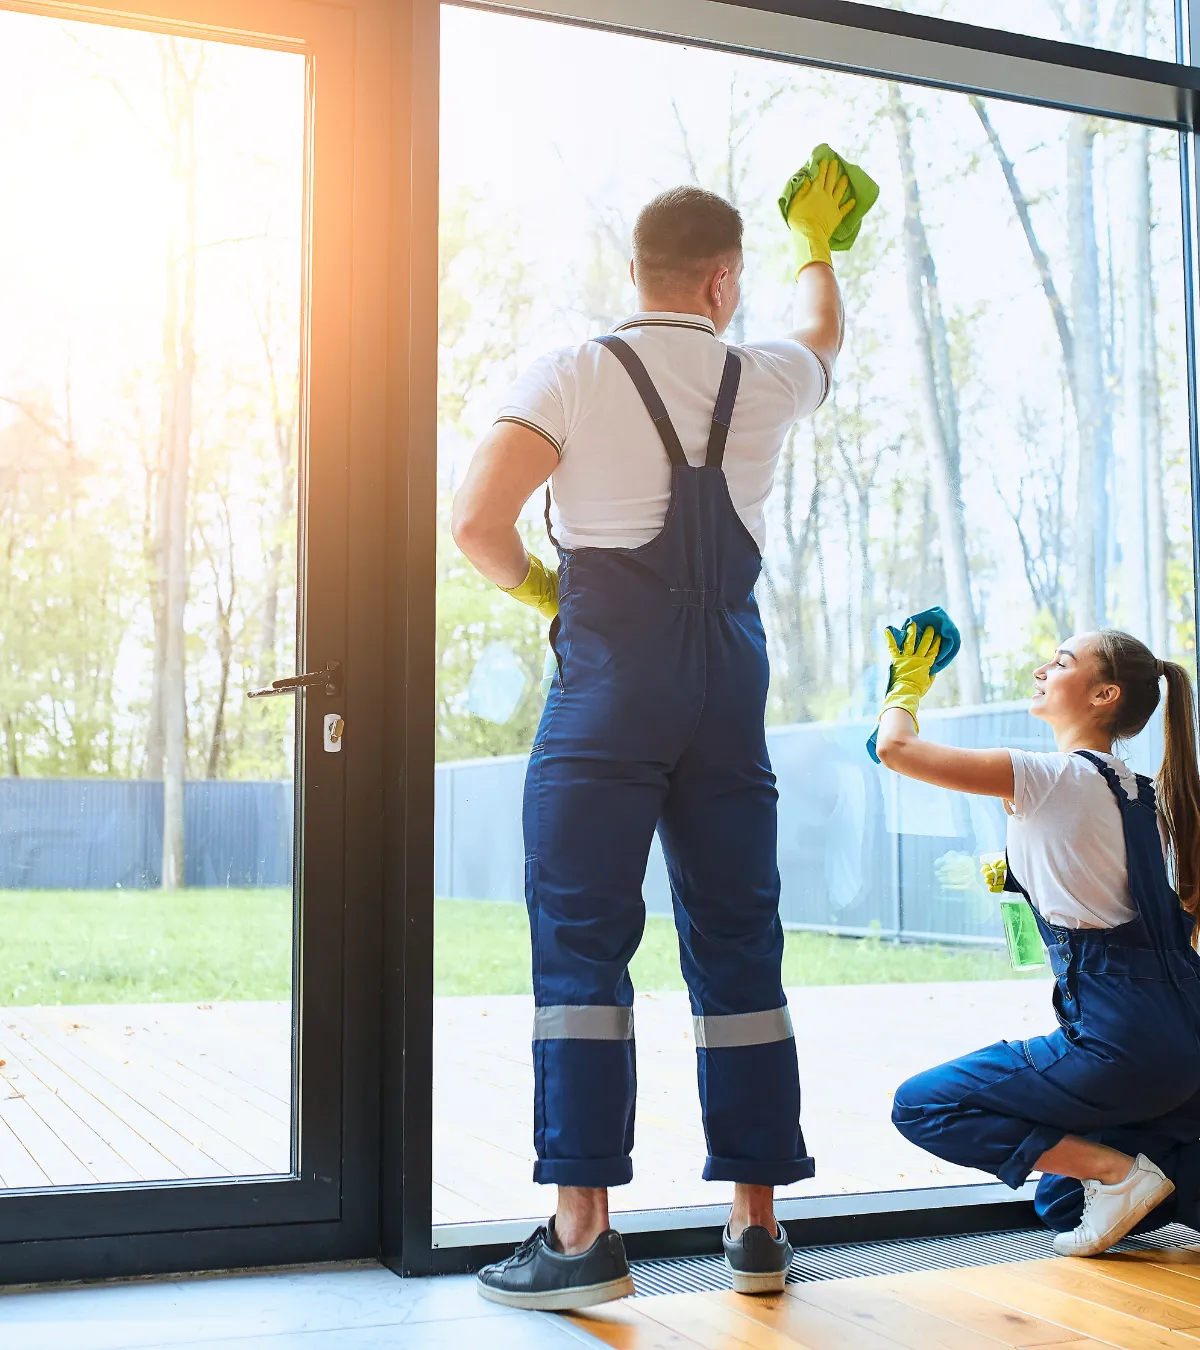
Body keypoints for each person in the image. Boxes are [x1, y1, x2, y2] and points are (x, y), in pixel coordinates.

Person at [451, 165, 855, 1309]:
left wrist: (545, 591)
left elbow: (475, 522)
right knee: (739, 942)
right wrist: (818, 243)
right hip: (726, 689)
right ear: (725, 281)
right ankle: (757, 1228)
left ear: (636, 271)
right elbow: (822, 331)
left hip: (609, 692)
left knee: (583, 948)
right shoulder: (766, 374)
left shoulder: (572, 373)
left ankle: (583, 1238)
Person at [874, 623, 1200, 1256]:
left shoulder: (1051, 777)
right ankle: (1153, 1177)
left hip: (1122, 1042)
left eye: (1061, 661)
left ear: (1104, 695)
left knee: (922, 1106)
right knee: (1061, 1199)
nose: (1041, 671)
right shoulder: (1141, 792)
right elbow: (1111, 886)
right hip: (1186, 1039)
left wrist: (905, 687)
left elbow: (896, 748)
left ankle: (1118, 1173)